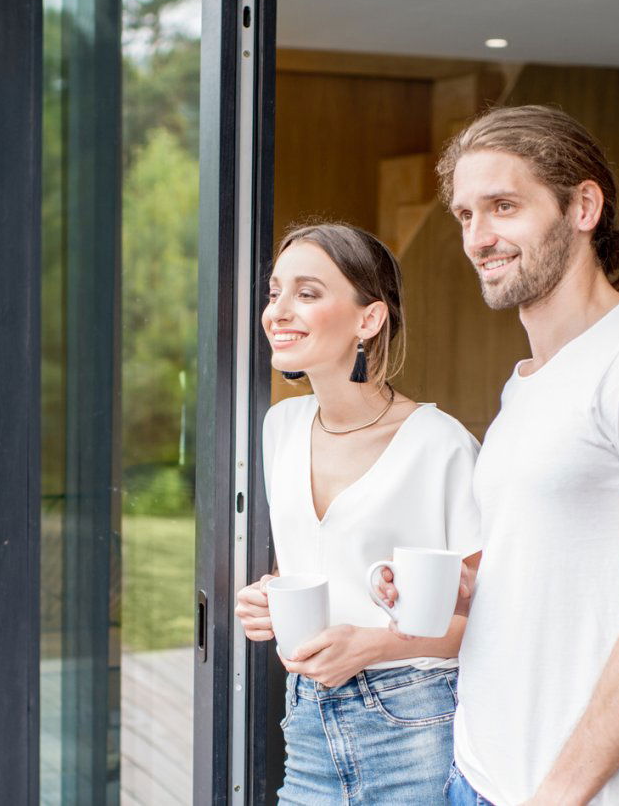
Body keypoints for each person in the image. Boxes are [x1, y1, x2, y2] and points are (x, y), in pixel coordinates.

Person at [429, 105, 619, 804]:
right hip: (475, 773)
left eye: (503, 206)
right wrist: (466, 583)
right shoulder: (527, 383)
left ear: (583, 205)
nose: (479, 237)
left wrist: (556, 795)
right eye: (465, 215)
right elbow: (550, 563)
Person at [235, 223, 484, 804]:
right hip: (306, 719)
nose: (278, 311)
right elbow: (328, 562)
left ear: (368, 320)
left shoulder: (439, 444)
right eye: (275, 292)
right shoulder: (282, 428)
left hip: (412, 727)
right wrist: (267, 595)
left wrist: (374, 645)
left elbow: (486, 620)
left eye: (308, 292)